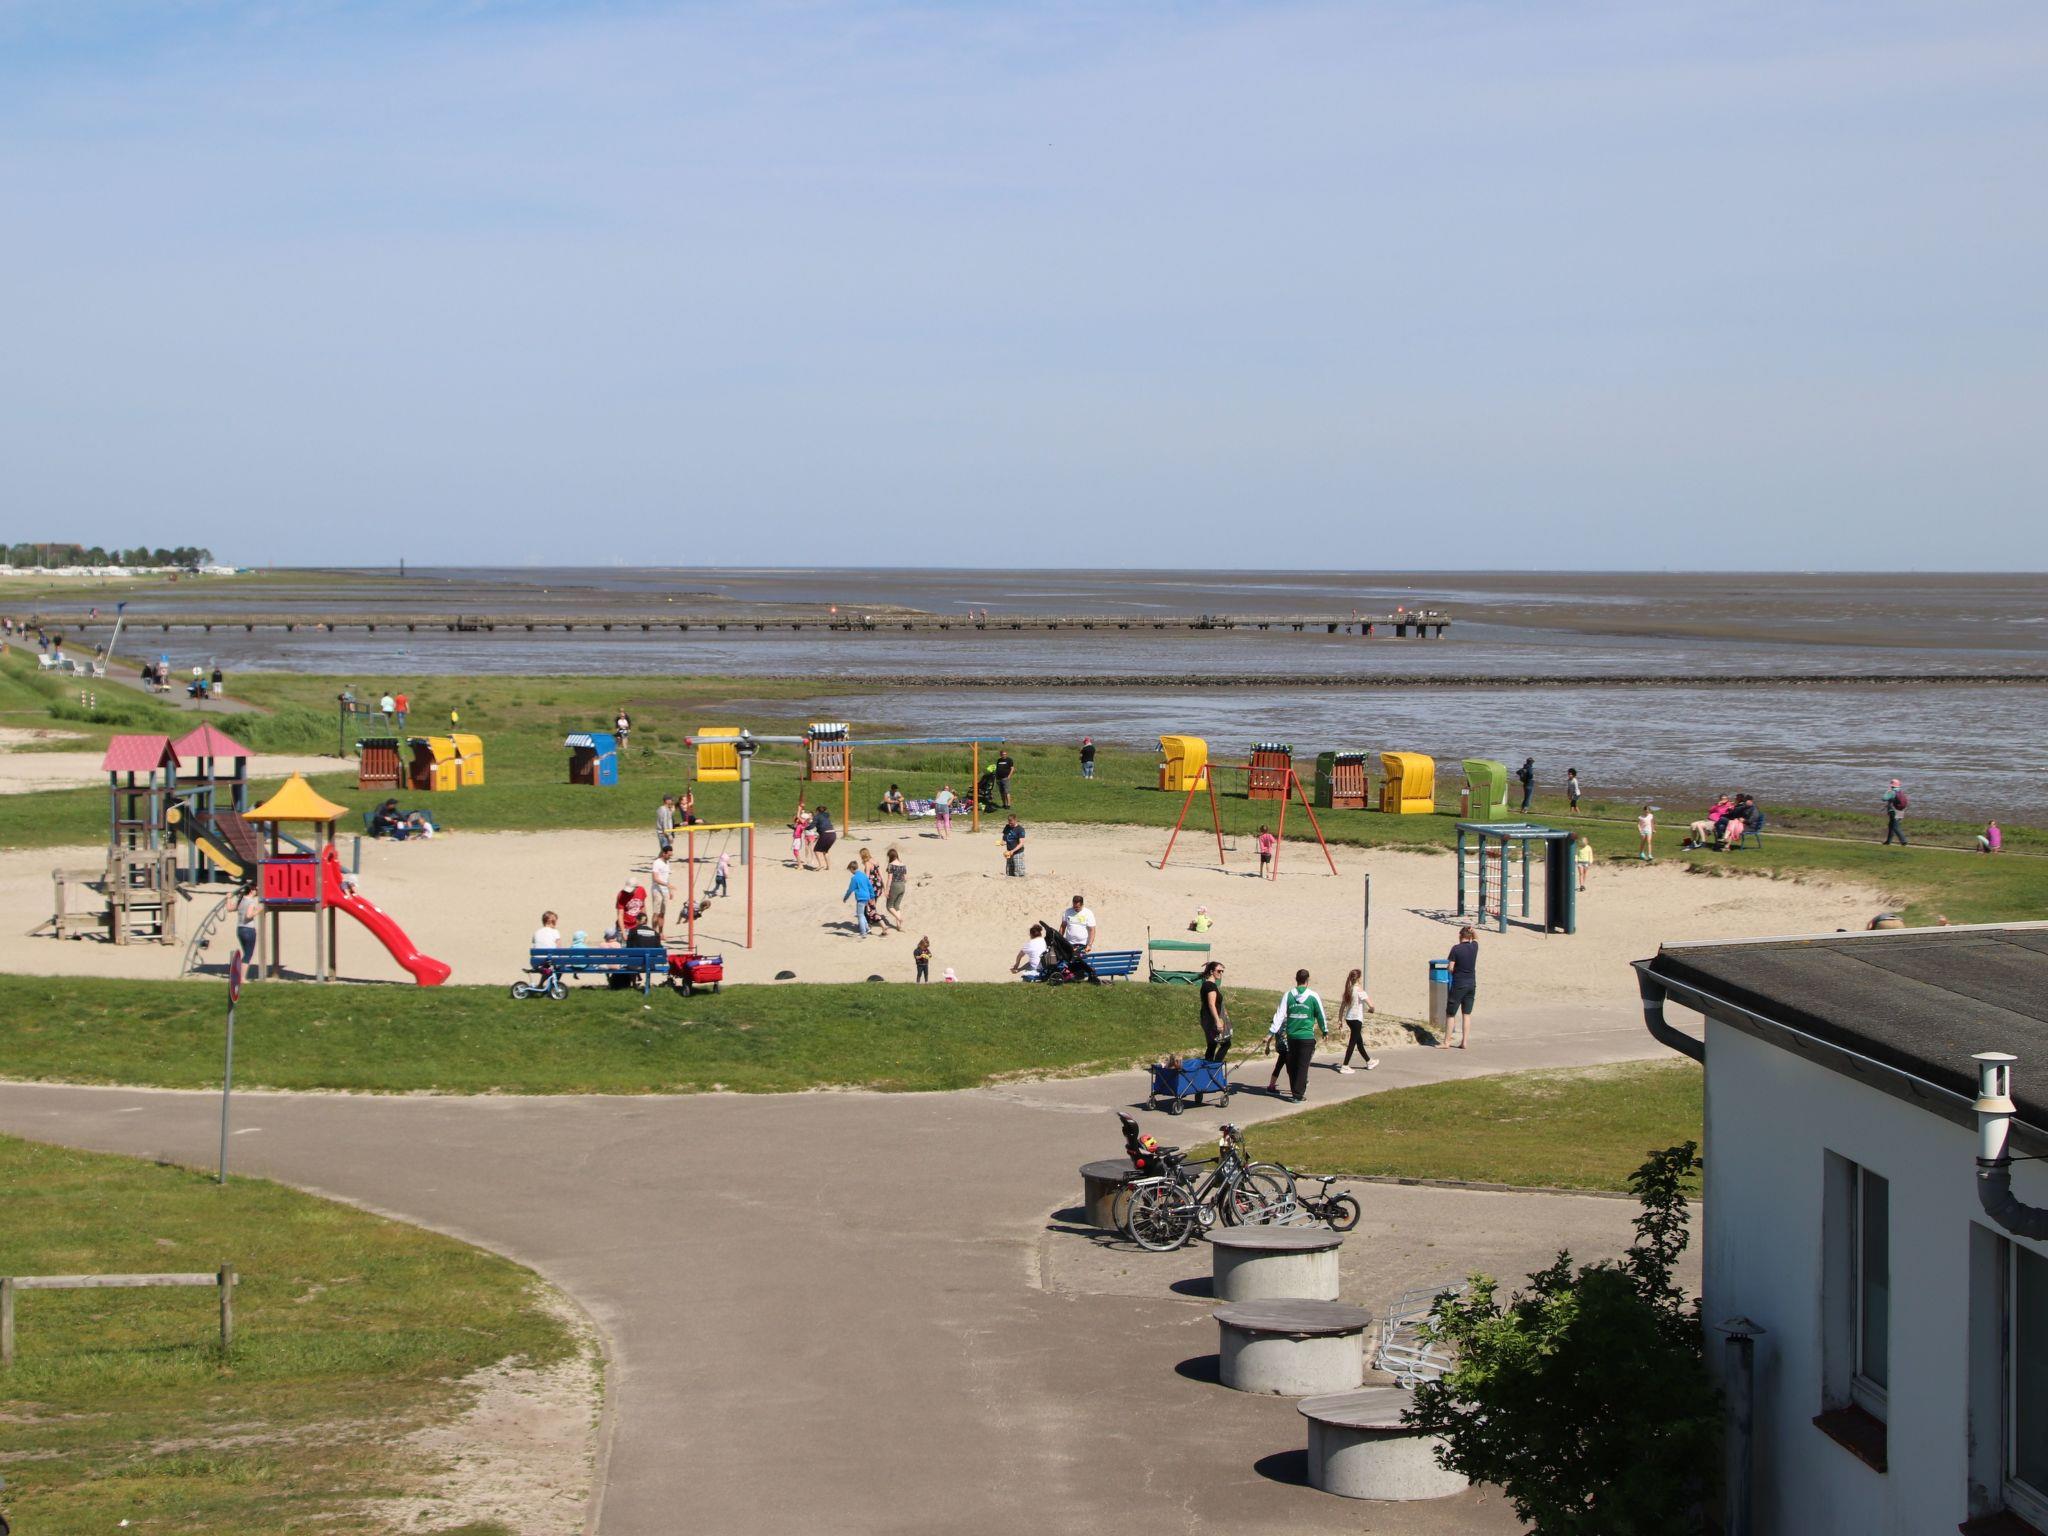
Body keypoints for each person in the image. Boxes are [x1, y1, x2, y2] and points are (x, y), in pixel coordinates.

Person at [1269, 969, 1330, 1102]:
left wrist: (1271, 1032)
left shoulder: (1288, 995)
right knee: (1302, 1066)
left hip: (1292, 1037)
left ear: (1296, 979)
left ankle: (1296, 1091)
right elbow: (1320, 1015)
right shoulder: (1313, 996)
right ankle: (1297, 1095)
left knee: (1293, 1065)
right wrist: (1325, 1030)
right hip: (1306, 1037)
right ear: (1307, 980)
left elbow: (1279, 1015)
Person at [1445, 926, 1479, 1048]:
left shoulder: (1456, 949)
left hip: (1459, 983)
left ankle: (1446, 1042)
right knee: (1466, 1014)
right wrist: (1473, 931)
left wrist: (1451, 971)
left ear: (1460, 936)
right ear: (1469, 937)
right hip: (1471, 983)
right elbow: (1477, 938)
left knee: (1450, 1014)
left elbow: (1451, 967)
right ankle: (1464, 1042)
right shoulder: (1474, 947)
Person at [1337, 968, 1376, 1073]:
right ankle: (1345, 1066)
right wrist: (1371, 1010)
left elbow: (1342, 1007)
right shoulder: (1360, 991)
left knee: (1359, 1042)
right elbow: (1371, 1006)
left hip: (1349, 1019)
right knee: (1352, 1043)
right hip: (1356, 1020)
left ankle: (1369, 1061)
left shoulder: (1348, 990)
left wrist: (1340, 1020)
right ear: (1359, 978)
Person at [842, 860, 876, 937]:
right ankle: (867, 928)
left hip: (861, 898)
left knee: (860, 915)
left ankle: (863, 932)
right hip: (867, 897)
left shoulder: (854, 878)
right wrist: (872, 896)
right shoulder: (863, 875)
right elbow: (870, 886)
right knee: (862, 914)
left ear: (852, 868)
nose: (850, 872)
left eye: (850, 870)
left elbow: (850, 889)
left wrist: (845, 898)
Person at [235, 883, 263, 968]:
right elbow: (249, 915)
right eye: (256, 890)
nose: (257, 892)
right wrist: (258, 910)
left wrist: (228, 898)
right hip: (249, 929)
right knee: (248, 955)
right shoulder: (251, 901)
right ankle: (242, 975)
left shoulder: (241, 900)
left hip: (240, 929)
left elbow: (229, 908)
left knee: (246, 953)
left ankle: (239, 970)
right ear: (251, 891)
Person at [648, 847, 673, 936]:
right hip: (657, 890)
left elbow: (667, 878)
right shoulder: (657, 863)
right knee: (656, 912)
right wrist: (667, 885)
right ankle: (653, 932)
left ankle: (661, 932)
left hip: (665, 890)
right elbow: (655, 878)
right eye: (669, 855)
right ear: (664, 853)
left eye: (671, 855)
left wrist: (670, 890)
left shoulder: (667, 863)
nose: (670, 857)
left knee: (662, 913)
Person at [883, 848, 909, 930]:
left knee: (889, 906)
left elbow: (889, 879)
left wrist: (886, 890)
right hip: (902, 886)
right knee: (896, 906)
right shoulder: (903, 864)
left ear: (890, 856)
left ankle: (899, 918)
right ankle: (899, 926)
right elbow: (906, 878)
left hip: (895, 885)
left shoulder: (891, 865)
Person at [810, 804, 837, 870]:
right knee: (825, 851)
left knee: (816, 850)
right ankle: (828, 866)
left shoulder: (817, 816)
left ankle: (821, 865)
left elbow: (811, 826)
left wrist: (805, 828)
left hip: (826, 834)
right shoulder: (826, 816)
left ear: (817, 811)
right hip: (833, 833)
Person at [1884, 780, 1910, 846]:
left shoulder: (1892, 792)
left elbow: (1884, 798)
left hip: (1893, 811)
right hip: (1901, 811)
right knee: (1891, 825)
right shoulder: (1901, 792)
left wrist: (1887, 792)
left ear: (1892, 785)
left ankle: (1904, 841)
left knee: (1895, 827)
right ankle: (1888, 841)